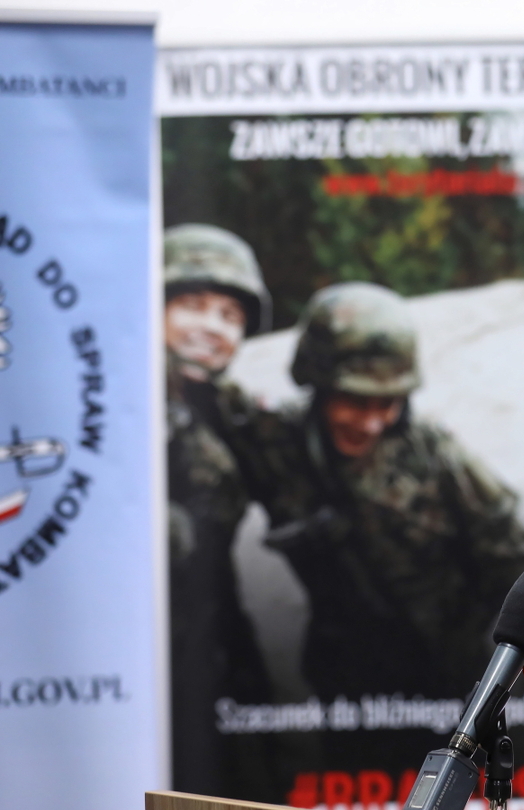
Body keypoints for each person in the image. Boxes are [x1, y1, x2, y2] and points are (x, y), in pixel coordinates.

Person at [249, 282, 524, 766]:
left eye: (387, 403)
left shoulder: (436, 456)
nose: (371, 422)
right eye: (354, 401)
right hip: (349, 683)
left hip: (453, 682)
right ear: (317, 383)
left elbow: (519, 568)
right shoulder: (276, 442)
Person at [163, 223, 275, 797]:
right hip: (144, 657)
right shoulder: (115, 399)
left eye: (230, 315)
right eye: (191, 304)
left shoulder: (226, 406)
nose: (212, 327)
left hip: (216, 645)